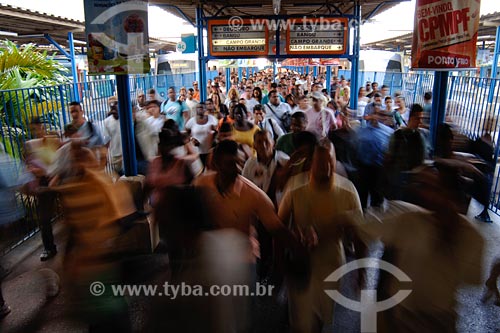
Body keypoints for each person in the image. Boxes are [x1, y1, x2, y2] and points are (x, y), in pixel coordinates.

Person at [278, 142, 363, 333]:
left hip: (331, 266)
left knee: (319, 318)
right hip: (301, 266)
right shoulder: (295, 186)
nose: (326, 167)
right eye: (320, 162)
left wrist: (362, 270)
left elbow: (358, 234)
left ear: (335, 162)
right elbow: (279, 226)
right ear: (312, 162)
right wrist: (281, 258)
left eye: (330, 162)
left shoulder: (348, 191)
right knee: (302, 323)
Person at [25, 118, 61, 261]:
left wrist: (55, 176)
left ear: (42, 127)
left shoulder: (53, 141)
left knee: (70, 208)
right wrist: (34, 170)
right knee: (44, 218)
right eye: (33, 129)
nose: (36, 131)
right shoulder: (31, 145)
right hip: (44, 182)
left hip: (58, 178)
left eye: (37, 128)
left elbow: (61, 159)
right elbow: (28, 164)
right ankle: (49, 248)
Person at [103, 99, 123, 174]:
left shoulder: (126, 118)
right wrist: (105, 156)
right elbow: (107, 140)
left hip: (126, 153)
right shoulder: (107, 121)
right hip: (115, 155)